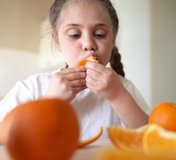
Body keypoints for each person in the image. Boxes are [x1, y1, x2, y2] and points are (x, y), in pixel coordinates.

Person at [0, 0, 150, 142]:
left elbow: (151, 138)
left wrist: (118, 96)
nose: (88, 44)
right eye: (74, 35)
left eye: (99, 34)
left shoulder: (123, 88)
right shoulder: (34, 87)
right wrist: (49, 104)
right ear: (57, 41)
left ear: (113, 40)